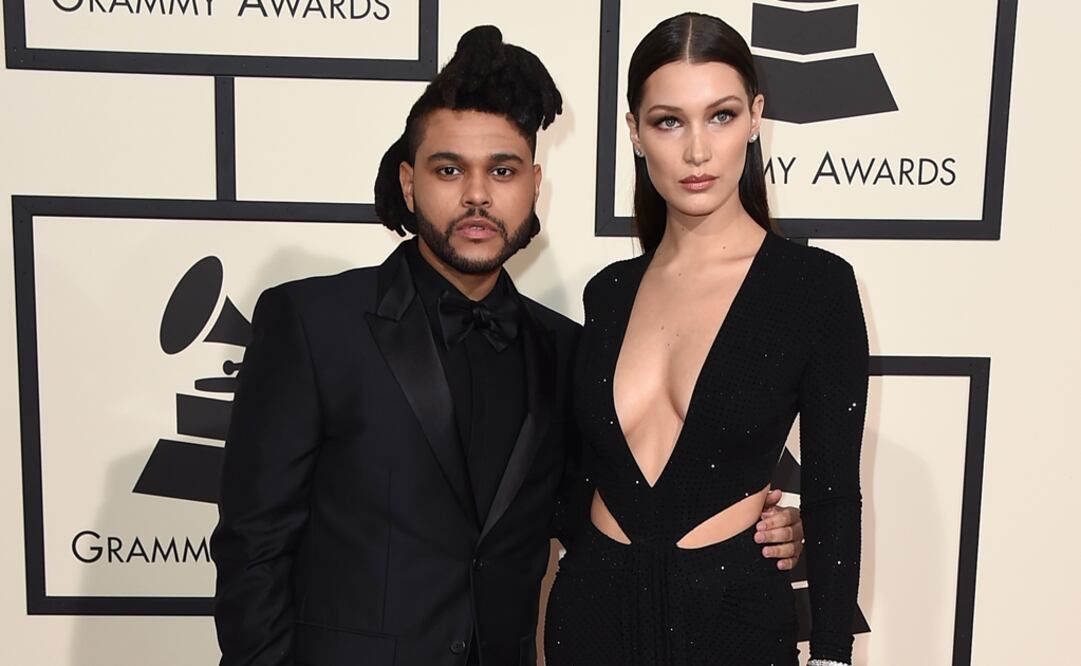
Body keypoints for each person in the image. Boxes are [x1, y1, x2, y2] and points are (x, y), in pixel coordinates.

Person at [211, 25, 805, 666]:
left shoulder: (567, 349)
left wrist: (754, 527)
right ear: (409, 184)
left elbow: (606, 514)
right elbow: (253, 548)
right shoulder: (312, 323)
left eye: (502, 170)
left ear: (534, 185)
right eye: (449, 170)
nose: (477, 195)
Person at [544, 12, 868, 666]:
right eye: (669, 122)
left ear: (755, 118)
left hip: (734, 626)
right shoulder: (608, 293)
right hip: (589, 620)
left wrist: (832, 654)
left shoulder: (814, 287)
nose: (697, 151)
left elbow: (833, 494)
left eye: (720, 116)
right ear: (635, 133)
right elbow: (577, 475)